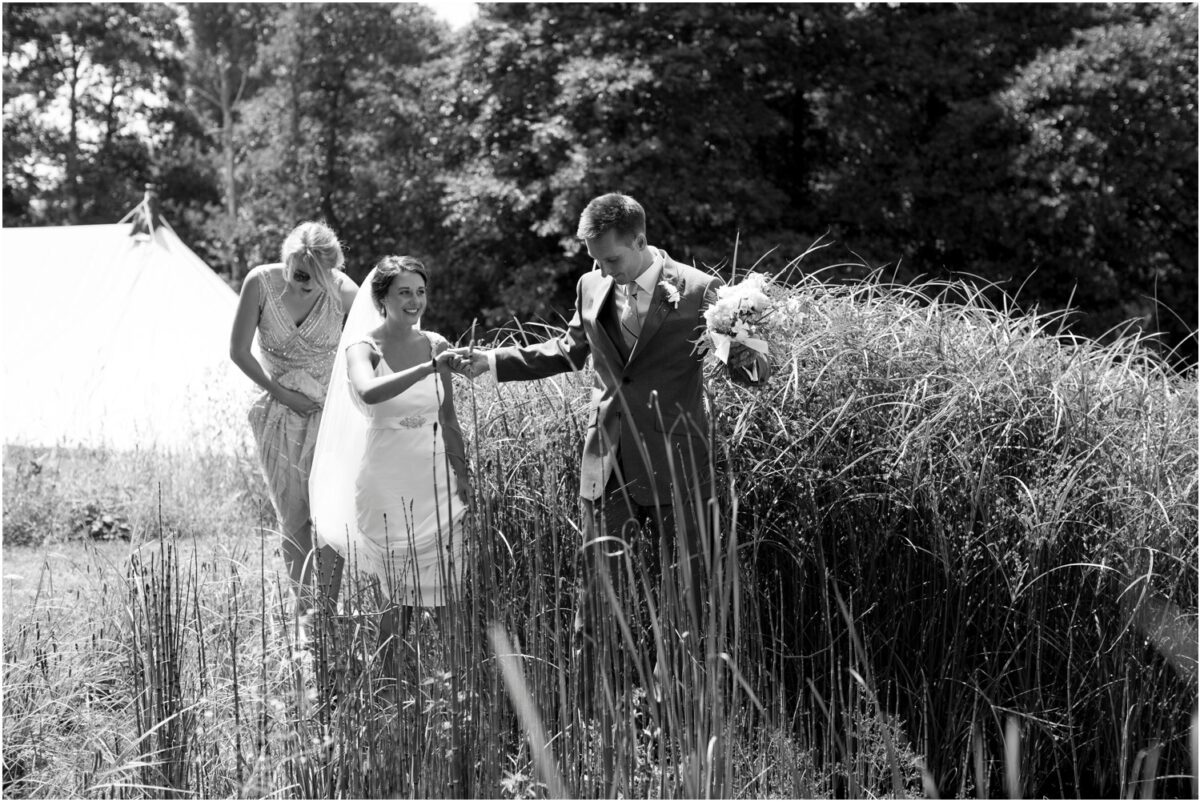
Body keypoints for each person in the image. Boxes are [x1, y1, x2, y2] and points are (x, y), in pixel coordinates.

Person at [451, 192, 769, 712]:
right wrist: (491, 360)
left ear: (640, 240)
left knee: (683, 599)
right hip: (608, 459)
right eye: (595, 260)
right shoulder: (590, 284)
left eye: (612, 259)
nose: (603, 270)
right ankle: (593, 716)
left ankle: (673, 718)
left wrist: (744, 335)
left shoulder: (703, 292)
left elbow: (754, 375)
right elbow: (569, 350)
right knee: (597, 599)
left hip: (678, 463)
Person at [309, 255, 469, 676]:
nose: (415, 301)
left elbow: (448, 417)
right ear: (382, 298)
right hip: (388, 486)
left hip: (437, 484)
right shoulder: (362, 348)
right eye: (404, 293)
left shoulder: (436, 344)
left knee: (449, 600)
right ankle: (391, 689)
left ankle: (459, 689)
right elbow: (369, 391)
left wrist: (463, 475)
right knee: (397, 604)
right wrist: (426, 369)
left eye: (421, 291)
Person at [229, 221, 358, 617]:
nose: (305, 285)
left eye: (316, 279)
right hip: (279, 413)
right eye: (299, 275)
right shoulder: (260, 283)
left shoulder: (347, 293)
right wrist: (284, 395)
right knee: (293, 515)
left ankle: (327, 611)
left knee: (330, 513)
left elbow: (369, 349)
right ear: (286, 259)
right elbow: (239, 351)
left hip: (330, 415)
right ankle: (305, 612)